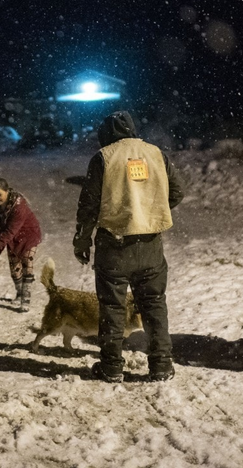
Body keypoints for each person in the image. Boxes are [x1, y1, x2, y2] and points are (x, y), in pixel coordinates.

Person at [73, 111, 184, 383]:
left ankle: (112, 366)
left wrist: (82, 239)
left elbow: (88, 206)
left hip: (114, 245)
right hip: (151, 247)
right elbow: (177, 192)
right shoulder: (156, 153)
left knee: (112, 306)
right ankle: (161, 365)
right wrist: (148, 213)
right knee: (154, 305)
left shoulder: (103, 157)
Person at [0, 177, 42, 312]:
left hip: (28, 234)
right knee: (14, 267)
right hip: (12, 238)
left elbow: (11, 230)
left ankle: (26, 298)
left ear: (7, 191)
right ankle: (20, 292)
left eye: (0, 194)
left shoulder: (18, 205)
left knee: (27, 262)